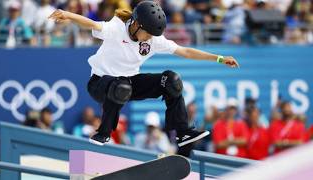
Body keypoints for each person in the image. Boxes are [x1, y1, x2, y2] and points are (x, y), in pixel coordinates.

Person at [48, 1, 239, 148]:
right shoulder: (116, 29)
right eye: (147, 34)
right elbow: (92, 24)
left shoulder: (154, 40)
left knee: (171, 80)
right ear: (136, 25)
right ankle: (104, 132)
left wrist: (219, 58)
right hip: (100, 84)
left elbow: (185, 51)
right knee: (121, 86)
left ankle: (182, 132)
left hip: (129, 83)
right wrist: (68, 15)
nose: (149, 39)